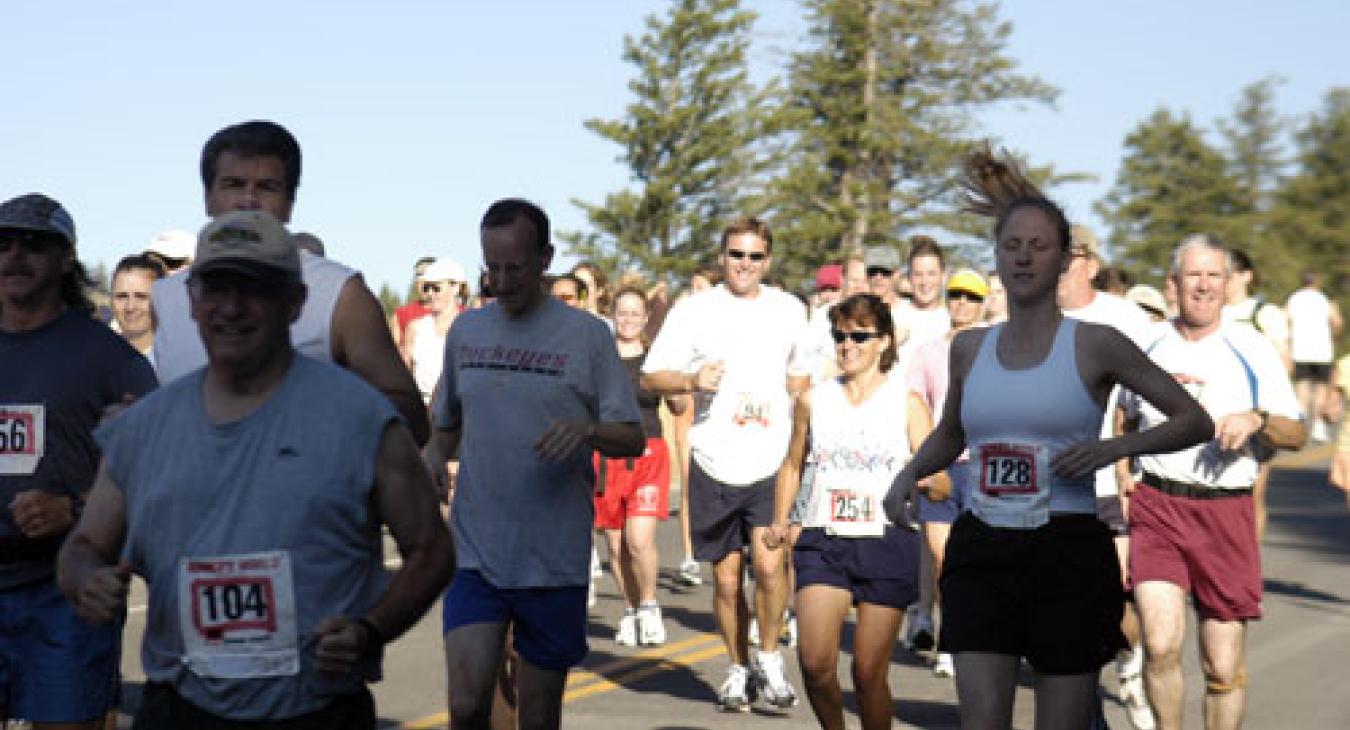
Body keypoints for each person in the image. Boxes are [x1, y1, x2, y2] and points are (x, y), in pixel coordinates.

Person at [57, 210, 453, 729]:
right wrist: (87, 581)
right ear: (192, 301)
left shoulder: (359, 417)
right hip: (179, 709)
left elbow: (432, 550)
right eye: (217, 289)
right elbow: (84, 548)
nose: (233, 308)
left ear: (293, 303)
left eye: (256, 289)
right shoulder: (144, 427)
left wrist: (370, 631)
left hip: (317, 712)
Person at [882, 146, 1212, 729]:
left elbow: (1193, 420)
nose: (1025, 257)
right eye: (1013, 246)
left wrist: (1113, 450)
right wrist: (908, 474)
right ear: (998, 259)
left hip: (1066, 549)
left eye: (1039, 246)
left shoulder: (1096, 344)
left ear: (1063, 259)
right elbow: (952, 432)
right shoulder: (969, 348)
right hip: (982, 546)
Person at [425, 199, 644, 730]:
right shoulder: (467, 333)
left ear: (545, 258)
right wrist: (431, 455)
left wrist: (588, 430)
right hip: (477, 549)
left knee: (538, 715)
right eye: (491, 268)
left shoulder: (587, 337)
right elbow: (445, 422)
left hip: (552, 556)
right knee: (465, 705)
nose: (501, 281)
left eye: (515, 268)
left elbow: (632, 437)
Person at [1123, 235, 1305, 730]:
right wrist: (1122, 477)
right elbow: (1122, 416)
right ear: (1173, 284)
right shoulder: (1151, 345)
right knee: (1160, 645)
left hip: (1225, 511)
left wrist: (1258, 418)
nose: (1202, 285)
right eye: (1192, 275)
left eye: (1213, 276)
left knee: (1221, 666)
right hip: (1159, 504)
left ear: (1227, 285)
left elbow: (1297, 432)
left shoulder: (1251, 348)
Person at [151, 120, 428, 444]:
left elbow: (410, 417)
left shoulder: (340, 294)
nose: (248, 200)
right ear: (208, 197)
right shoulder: (166, 296)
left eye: (267, 187)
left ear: (289, 203)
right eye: (233, 185)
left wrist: (313, 428)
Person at [0, 193, 158, 730]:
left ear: (67, 258)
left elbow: (157, 476)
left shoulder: (112, 361)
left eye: (35, 244)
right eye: (3, 242)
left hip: (64, 592)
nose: (15, 255)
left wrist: (73, 508)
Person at [643, 217, 810, 712]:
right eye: (737, 255)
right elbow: (653, 376)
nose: (745, 265)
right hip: (716, 457)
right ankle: (737, 669)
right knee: (725, 579)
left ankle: (770, 658)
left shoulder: (789, 310)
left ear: (768, 261)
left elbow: (801, 380)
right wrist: (692, 379)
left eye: (755, 257)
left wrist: (806, 442)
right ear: (722, 258)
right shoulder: (695, 310)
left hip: (771, 457)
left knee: (770, 563)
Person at [764, 293, 931, 730]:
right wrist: (781, 520)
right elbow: (791, 464)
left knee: (868, 672)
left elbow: (941, 474)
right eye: (839, 336)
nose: (847, 344)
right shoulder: (814, 400)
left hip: (888, 539)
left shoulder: (907, 403)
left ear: (885, 342)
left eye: (860, 335)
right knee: (816, 664)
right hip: (824, 538)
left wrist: (930, 481)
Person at [905, 268, 988, 679]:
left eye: (971, 297)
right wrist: (921, 463)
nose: (962, 303)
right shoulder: (926, 352)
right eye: (955, 294)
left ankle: (963, 635)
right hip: (943, 466)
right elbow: (915, 407)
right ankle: (946, 636)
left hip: (985, 466)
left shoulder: (999, 349)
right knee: (942, 558)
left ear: (984, 302)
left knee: (973, 561)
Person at [597, 286, 687, 647]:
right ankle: (631, 610)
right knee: (616, 545)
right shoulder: (599, 360)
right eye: (622, 313)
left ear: (646, 318)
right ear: (613, 316)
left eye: (635, 313)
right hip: (606, 456)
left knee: (639, 539)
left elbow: (680, 406)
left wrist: (680, 387)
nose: (628, 320)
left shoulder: (654, 361)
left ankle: (649, 605)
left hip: (648, 452)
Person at [1222, 248, 1293, 541]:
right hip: (1213, 412)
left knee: (1253, 493)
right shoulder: (1210, 312)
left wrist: (1268, 410)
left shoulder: (1265, 314)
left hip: (1255, 415)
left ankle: (1248, 562)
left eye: (1230, 274)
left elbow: (1284, 361)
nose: (1224, 281)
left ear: (1246, 276)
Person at [672, 265, 724, 588]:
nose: (696, 293)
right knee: (691, 482)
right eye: (692, 287)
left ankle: (729, 544)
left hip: (724, 413)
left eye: (702, 287)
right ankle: (691, 553)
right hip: (691, 407)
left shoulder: (729, 324)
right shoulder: (685, 323)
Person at [1284, 270, 1343, 443]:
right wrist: (1334, 336)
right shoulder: (1324, 299)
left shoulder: (1293, 299)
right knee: (1321, 389)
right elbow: (1337, 322)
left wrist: (1287, 345)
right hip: (1322, 350)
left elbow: (1285, 320)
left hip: (1300, 350)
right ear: (1317, 281)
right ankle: (1317, 424)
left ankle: (1300, 422)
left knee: (1302, 388)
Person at [404, 257, 467, 403]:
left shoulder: (469, 326)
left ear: (455, 287)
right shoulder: (415, 327)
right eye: (427, 288)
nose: (430, 294)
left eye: (436, 288)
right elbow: (404, 374)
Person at [110, 253, 166, 357]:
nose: (130, 307)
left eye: (141, 297)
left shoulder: (181, 362)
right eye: (122, 296)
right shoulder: (95, 359)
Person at [389, 256, 436, 349]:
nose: (423, 282)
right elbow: (393, 354)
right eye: (418, 276)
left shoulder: (458, 313)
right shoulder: (401, 314)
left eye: (428, 276)